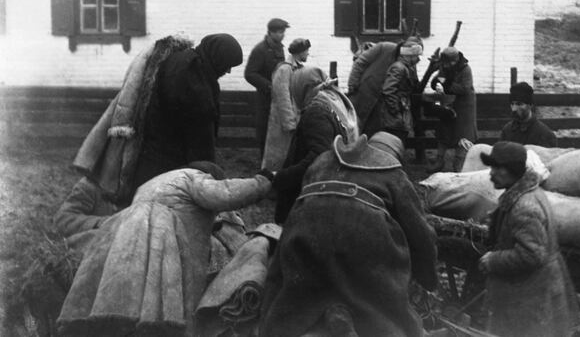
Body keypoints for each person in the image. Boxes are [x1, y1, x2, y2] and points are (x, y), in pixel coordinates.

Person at [57, 162, 274, 337]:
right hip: (168, 249)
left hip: (134, 248)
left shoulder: (146, 187)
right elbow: (226, 194)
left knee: (137, 303)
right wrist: (263, 181)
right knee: (167, 308)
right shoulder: (192, 178)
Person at [261, 133, 438, 337]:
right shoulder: (395, 175)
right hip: (363, 239)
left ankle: (319, 309)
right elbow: (421, 236)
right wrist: (427, 278)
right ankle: (360, 317)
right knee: (385, 314)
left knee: (296, 299)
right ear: (396, 157)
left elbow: (302, 204)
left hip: (306, 235)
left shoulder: (321, 162)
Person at [477, 141, 579, 337]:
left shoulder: (524, 207)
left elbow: (531, 255)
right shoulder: (529, 194)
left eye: (497, 168)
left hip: (530, 295)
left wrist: (493, 260)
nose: (491, 173)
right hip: (535, 289)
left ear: (512, 170)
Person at [133, 33, 244, 191]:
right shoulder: (193, 73)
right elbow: (200, 128)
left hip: (157, 150)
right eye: (227, 64)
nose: (229, 71)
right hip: (170, 158)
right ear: (217, 56)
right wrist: (206, 170)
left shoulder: (187, 62)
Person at [271, 66, 359, 224]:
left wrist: (280, 177)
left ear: (302, 88)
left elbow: (318, 159)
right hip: (334, 188)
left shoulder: (316, 112)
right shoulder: (333, 101)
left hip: (310, 198)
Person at [349, 38, 422, 136]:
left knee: (375, 132)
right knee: (357, 126)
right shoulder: (383, 47)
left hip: (384, 104)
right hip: (365, 93)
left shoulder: (408, 64)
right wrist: (352, 84)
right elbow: (360, 62)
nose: (417, 59)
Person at [262, 38, 310, 171]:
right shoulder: (284, 69)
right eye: (306, 50)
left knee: (290, 155)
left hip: (294, 119)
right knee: (278, 156)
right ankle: (270, 177)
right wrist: (289, 123)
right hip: (282, 122)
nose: (308, 53)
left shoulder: (298, 68)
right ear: (300, 52)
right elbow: (282, 98)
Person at [427, 46, 477, 173]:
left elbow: (465, 88)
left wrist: (446, 84)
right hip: (448, 102)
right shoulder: (445, 67)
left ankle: (459, 162)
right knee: (444, 130)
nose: (446, 65)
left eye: (449, 62)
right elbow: (438, 80)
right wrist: (437, 84)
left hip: (464, 106)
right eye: (444, 63)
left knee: (463, 134)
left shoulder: (465, 69)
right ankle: (439, 160)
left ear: (455, 60)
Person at [245, 18, 289, 157]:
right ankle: (264, 163)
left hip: (278, 98)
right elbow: (250, 74)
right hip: (265, 99)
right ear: (270, 32)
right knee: (265, 132)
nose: (282, 35)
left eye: (283, 32)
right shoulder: (260, 50)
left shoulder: (279, 48)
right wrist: (269, 86)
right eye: (279, 32)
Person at [381, 39, 423, 140]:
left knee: (401, 137)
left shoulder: (405, 68)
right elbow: (388, 90)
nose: (418, 59)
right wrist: (395, 111)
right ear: (410, 55)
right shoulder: (399, 68)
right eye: (416, 56)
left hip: (402, 109)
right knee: (396, 139)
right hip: (395, 113)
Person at [499, 82, 557, 147]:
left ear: (530, 105)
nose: (514, 109)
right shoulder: (507, 130)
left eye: (519, 104)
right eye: (512, 104)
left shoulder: (544, 134)